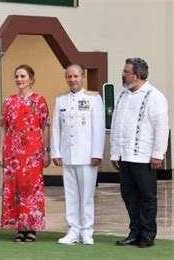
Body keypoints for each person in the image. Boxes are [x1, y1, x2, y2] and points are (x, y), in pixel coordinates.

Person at [110, 58, 169, 248]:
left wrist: (158, 154)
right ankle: (134, 232)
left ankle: (148, 234)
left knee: (147, 196)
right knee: (128, 194)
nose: (123, 74)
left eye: (126, 72)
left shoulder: (155, 96)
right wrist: (114, 152)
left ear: (137, 75)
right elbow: (116, 125)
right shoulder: (122, 95)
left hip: (144, 157)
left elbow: (161, 127)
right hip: (124, 156)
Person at [51, 64, 105, 245]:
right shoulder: (61, 100)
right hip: (68, 154)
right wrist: (56, 151)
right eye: (69, 76)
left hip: (87, 155)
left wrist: (97, 153)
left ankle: (87, 231)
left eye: (76, 76)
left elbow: (98, 128)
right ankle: (73, 230)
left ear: (83, 77)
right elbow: (57, 128)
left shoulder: (93, 98)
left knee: (87, 195)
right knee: (71, 194)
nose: (72, 80)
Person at [0, 64, 50, 242]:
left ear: (31, 79)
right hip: (12, 151)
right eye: (17, 76)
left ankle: (31, 227)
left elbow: (45, 127)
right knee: (15, 188)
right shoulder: (8, 101)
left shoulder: (39, 100)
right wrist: (1, 151)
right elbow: (4, 127)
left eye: (23, 76)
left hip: (33, 152)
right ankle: (19, 227)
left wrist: (47, 151)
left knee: (31, 189)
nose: (19, 79)